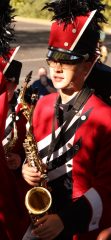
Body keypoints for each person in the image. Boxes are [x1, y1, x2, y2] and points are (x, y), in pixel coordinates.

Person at [22, 1, 111, 240]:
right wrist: (25, 169)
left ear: (88, 65)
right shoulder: (42, 104)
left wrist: (64, 220)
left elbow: (109, 186)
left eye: (68, 60)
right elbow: (32, 155)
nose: (57, 68)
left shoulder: (108, 119)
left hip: (82, 228)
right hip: (43, 217)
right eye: (52, 59)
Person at [0, 1, 30, 239]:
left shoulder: (22, 115)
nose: (8, 89)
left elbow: (32, 153)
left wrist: (19, 160)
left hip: (17, 189)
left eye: (11, 84)